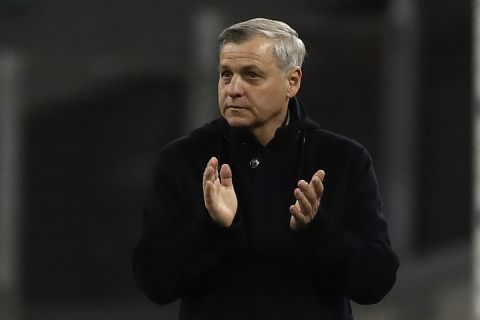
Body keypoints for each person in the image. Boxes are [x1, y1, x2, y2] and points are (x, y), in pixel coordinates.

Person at [133, 17, 399, 320]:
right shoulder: (185, 159)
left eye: (252, 75)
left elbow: (376, 281)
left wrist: (317, 230)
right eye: (225, 75)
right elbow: (154, 281)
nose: (233, 89)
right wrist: (211, 228)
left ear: (292, 81)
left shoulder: (342, 159)